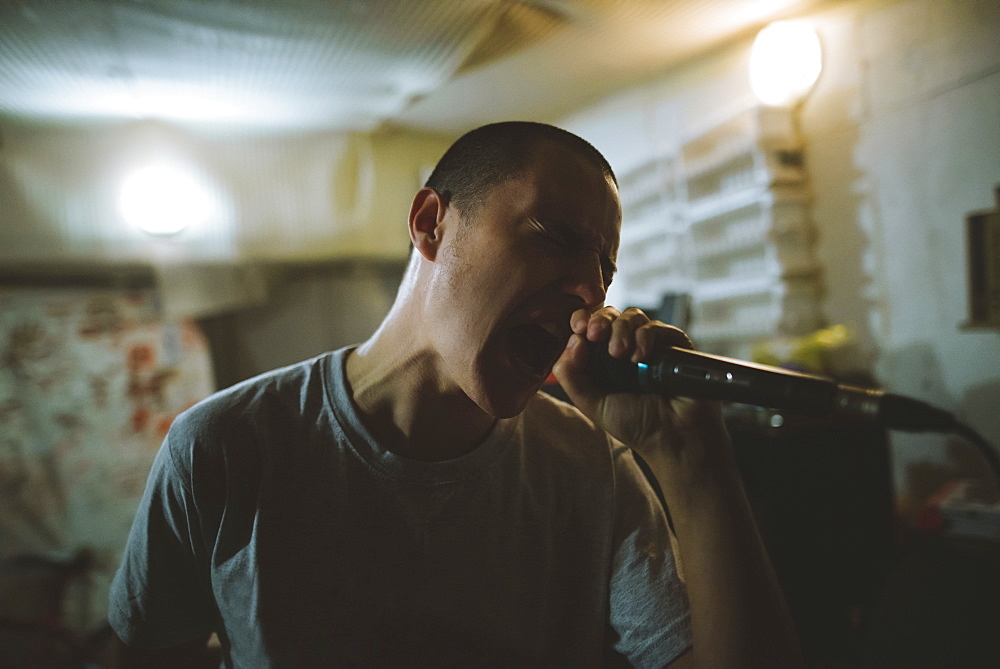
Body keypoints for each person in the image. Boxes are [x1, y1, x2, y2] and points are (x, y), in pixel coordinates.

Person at [109, 121, 803, 667]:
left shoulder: (595, 470)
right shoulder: (224, 446)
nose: (591, 289)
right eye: (555, 235)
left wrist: (693, 462)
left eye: (605, 267)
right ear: (431, 222)